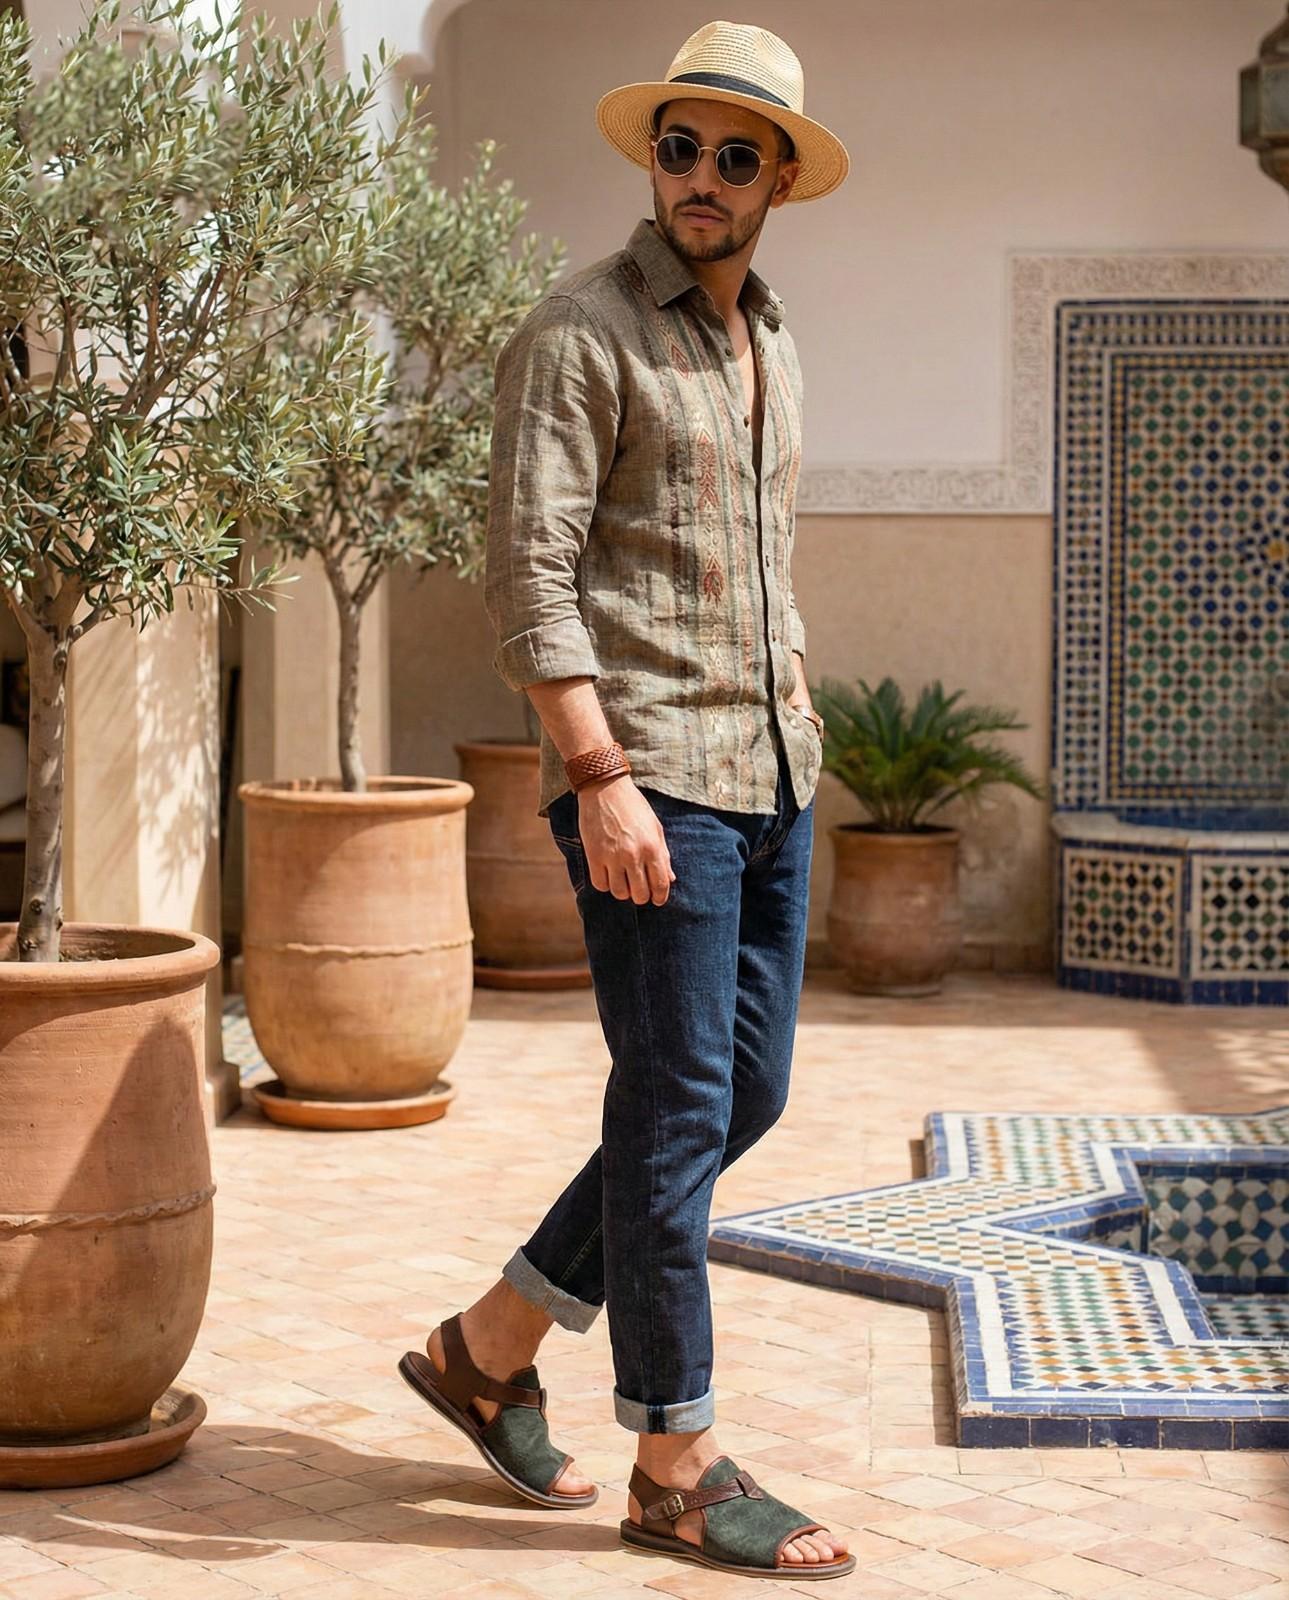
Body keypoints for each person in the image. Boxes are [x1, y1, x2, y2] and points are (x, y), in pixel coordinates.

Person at [400, 20, 854, 1580]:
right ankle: (678, 1457)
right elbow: (525, 572)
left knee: (742, 1095)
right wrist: (595, 775)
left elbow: (764, 574)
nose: (704, 178)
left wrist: (802, 723)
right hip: (647, 776)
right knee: (671, 1110)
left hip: (769, 772)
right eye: (681, 146)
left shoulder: (771, 340)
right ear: (648, 158)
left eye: (737, 155)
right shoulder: (579, 330)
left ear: (780, 177)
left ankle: (488, 1345)